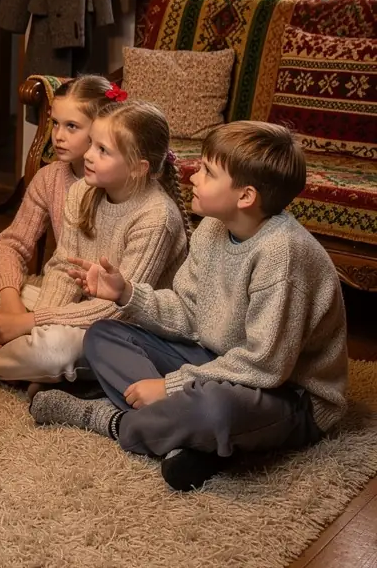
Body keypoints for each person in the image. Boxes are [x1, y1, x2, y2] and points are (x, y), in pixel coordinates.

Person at [34, 121, 348, 492]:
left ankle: (108, 420)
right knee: (104, 334)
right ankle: (192, 440)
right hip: (217, 359)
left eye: (207, 171)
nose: (192, 175)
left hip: (291, 396)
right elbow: (187, 312)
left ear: (245, 196)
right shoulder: (214, 228)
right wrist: (126, 294)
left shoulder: (283, 254)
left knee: (215, 409)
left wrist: (171, 386)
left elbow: (266, 365)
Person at [0, 93, 189, 387]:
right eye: (91, 143)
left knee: (52, 352)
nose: (89, 155)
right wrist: (31, 320)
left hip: (118, 331)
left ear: (138, 168)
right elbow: (63, 270)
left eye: (103, 150)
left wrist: (30, 323)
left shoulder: (157, 218)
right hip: (71, 310)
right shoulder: (83, 192)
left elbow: (119, 310)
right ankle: (22, 357)